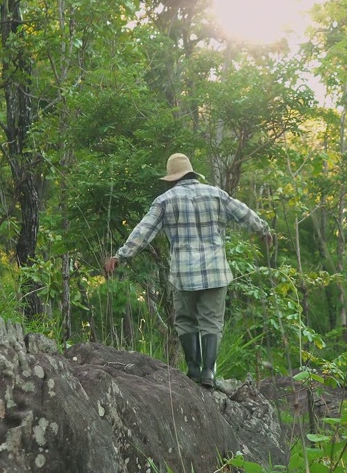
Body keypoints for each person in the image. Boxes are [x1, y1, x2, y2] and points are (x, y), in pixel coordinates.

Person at [104, 153, 272, 387]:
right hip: (216, 271)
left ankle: (193, 370)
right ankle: (208, 373)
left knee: (185, 321)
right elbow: (244, 213)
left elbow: (143, 232)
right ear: (193, 173)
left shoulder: (165, 200)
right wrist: (263, 230)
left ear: (172, 178)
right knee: (212, 322)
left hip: (184, 274)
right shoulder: (216, 194)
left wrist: (120, 255)